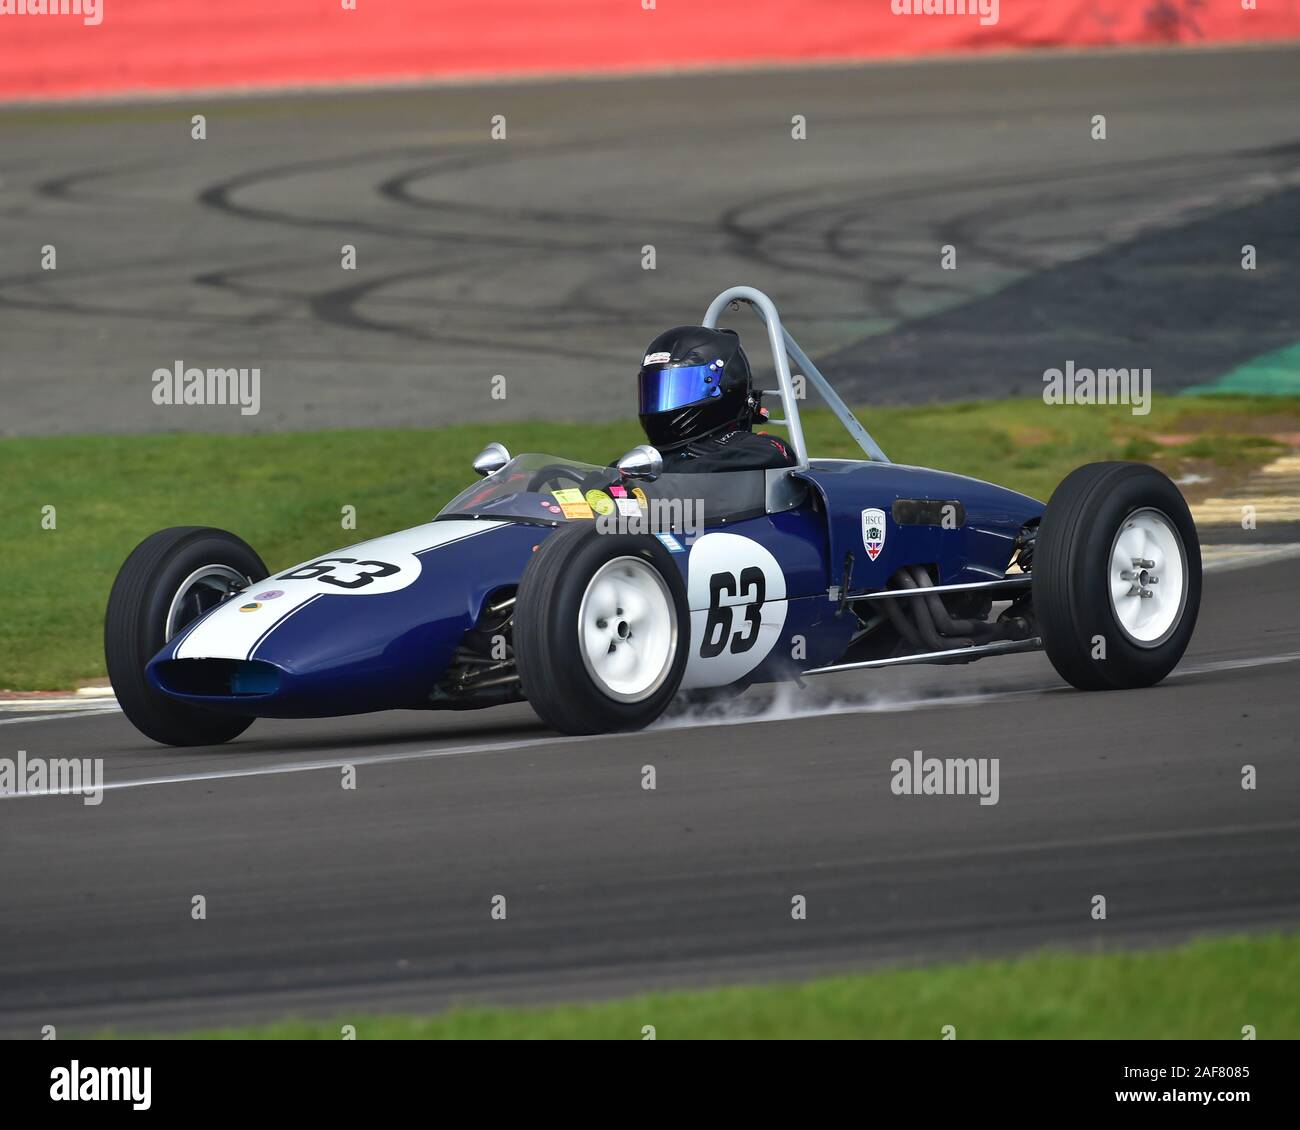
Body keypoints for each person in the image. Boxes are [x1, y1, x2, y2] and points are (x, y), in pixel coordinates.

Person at [635, 326, 796, 473]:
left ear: (721, 386)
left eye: (680, 389)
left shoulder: (757, 449)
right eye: (655, 390)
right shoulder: (644, 460)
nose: (664, 401)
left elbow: (775, 453)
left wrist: (663, 475)